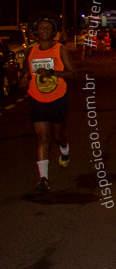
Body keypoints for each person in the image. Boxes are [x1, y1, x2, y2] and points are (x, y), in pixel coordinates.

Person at [20, 17, 77, 192]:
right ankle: (43, 178)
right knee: (43, 137)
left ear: (53, 32)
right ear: (36, 32)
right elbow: (25, 73)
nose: (44, 31)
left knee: (57, 135)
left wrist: (52, 72)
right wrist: (24, 79)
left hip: (57, 97)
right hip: (37, 98)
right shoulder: (31, 51)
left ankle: (64, 149)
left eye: (47, 28)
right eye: (40, 28)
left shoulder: (60, 50)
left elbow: (72, 73)